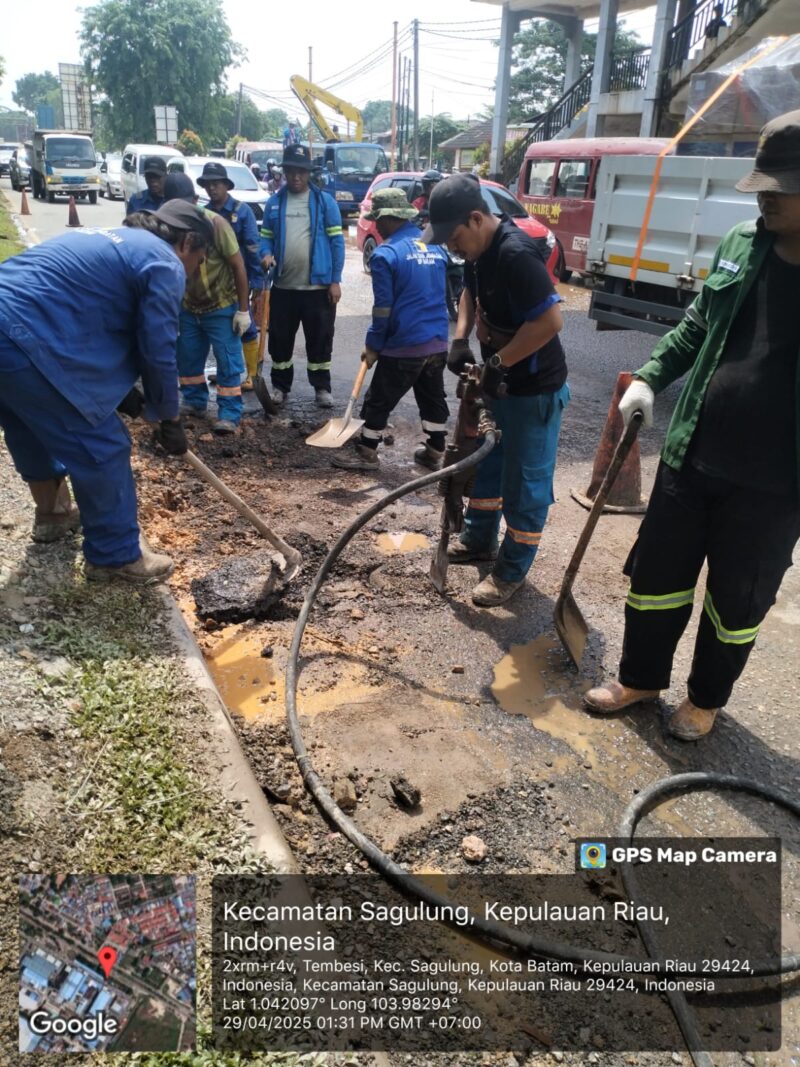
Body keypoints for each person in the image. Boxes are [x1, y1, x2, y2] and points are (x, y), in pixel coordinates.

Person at [583, 110, 800, 741]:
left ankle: (705, 699)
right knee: (656, 579)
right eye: (761, 184)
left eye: (779, 188)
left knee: (737, 602)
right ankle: (641, 677)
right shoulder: (741, 242)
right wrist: (651, 376)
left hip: (773, 484)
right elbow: (696, 327)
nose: (764, 197)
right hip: (693, 453)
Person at [0, 200, 213, 582]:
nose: (195, 270)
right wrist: (169, 416)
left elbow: (92, 321)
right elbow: (158, 346)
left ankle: (53, 514)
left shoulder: (121, 242)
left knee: (29, 424)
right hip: (22, 333)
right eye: (200, 260)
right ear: (188, 243)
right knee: (102, 445)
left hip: (11, 324)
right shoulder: (163, 261)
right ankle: (114, 557)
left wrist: (127, 395)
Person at [424, 173, 569, 608]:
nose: (452, 247)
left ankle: (511, 571)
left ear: (475, 218)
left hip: (532, 389)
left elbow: (550, 322)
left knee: (525, 483)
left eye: (453, 238)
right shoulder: (478, 253)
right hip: (499, 383)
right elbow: (470, 291)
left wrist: (497, 363)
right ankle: (479, 539)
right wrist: (461, 337)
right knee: (486, 464)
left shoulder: (514, 254)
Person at [331, 188, 450, 472]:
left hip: (405, 344)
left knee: (379, 398)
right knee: (431, 395)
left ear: (388, 219)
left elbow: (383, 310)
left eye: (378, 221)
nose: (376, 227)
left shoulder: (386, 255)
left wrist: (373, 344)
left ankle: (367, 451)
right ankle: (436, 450)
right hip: (437, 342)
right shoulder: (435, 247)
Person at [162, 172, 251, 434]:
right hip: (188, 305)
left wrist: (243, 310)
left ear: (194, 200)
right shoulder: (168, 228)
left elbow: (238, 266)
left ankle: (229, 413)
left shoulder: (216, 225)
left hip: (220, 304)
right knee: (187, 356)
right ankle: (194, 401)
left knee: (227, 361)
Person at [258, 143, 344, 408]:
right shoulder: (274, 203)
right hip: (283, 288)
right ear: (284, 172)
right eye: (292, 171)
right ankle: (280, 387)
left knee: (320, 341)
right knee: (280, 342)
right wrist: (266, 254)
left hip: (317, 289)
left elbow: (337, 243)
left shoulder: (324, 202)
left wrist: (335, 280)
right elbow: (265, 240)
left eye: (301, 172)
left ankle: (322, 388)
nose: (296, 177)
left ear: (309, 173)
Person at [197, 160, 265, 391]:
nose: (212, 188)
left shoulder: (241, 212)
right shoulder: (204, 214)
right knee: (221, 329)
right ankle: (228, 372)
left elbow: (253, 249)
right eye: (208, 184)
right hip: (214, 285)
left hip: (239, 282)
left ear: (226, 185)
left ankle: (252, 375)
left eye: (216, 184)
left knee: (245, 326)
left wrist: (256, 283)